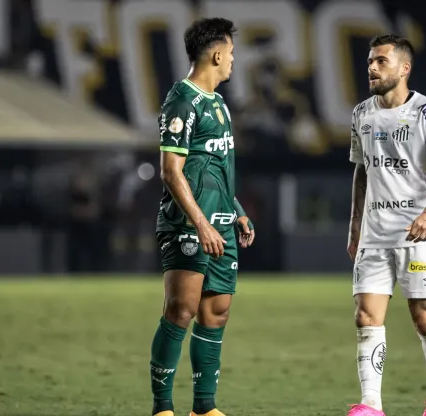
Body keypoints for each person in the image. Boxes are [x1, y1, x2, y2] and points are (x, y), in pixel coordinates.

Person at [346, 34, 426, 416]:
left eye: (380, 61)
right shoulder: (361, 114)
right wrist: (354, 226)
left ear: (404, 68)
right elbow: (361, 172)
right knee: (365, 316)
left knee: (424, 317)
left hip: (418, 233)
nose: (371, 68)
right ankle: (370, 405)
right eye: (370, 62)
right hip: (374, 233)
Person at [150, 17, 255, 416]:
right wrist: (201, 222)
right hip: (188, 226)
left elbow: (216, 169)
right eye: (230, 53)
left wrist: (238, 213)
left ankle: (204, 408)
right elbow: (170, 172)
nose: (232, 61)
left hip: (222, 225)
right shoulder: (182, 100)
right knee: (182, 308)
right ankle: (162, 408)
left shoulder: (219, 105)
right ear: (215, 53)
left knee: (217, 312)